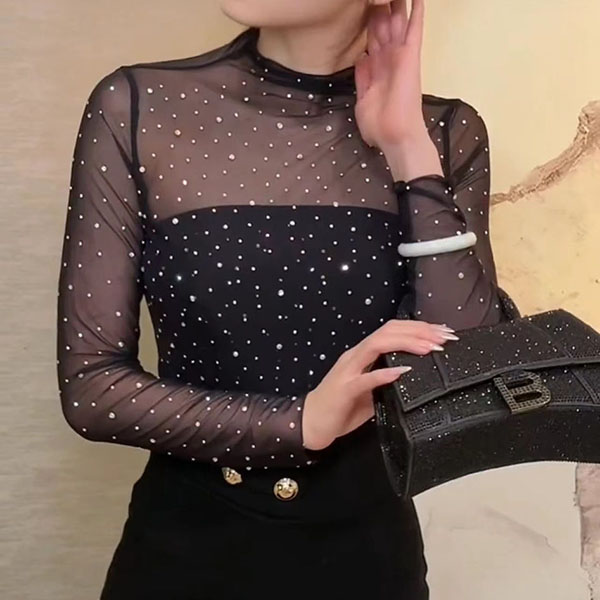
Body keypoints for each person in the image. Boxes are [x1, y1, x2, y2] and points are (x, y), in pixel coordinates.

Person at [55, 0, 505, 598]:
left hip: (369, 561)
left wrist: (408, 152)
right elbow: (92, 389)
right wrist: (299, 423)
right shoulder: (140, 105)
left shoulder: (443, 131)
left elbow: (467, 369)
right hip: (184, 556)